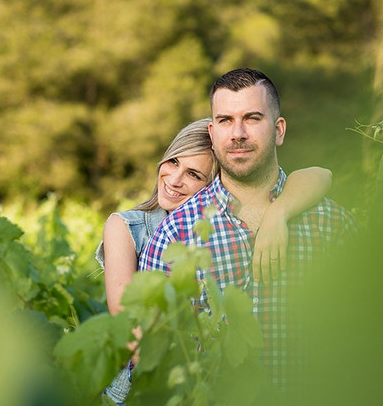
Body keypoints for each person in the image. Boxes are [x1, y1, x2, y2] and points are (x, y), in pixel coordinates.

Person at [138, 68, 358, 396]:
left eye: (252, 118)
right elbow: (154, 359)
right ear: (212, 134)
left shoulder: (333, 226)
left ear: (279, 129)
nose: (238, 133)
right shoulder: (175, 235)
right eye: (225, 120)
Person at [97, 117, 334, 404]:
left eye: (194, 175)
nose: (174, 179)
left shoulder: (218, 228)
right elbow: (131, 330)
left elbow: (321, 175)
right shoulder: (127, 227)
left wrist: (278, 212)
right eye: (173, 162)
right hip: (147, 387)